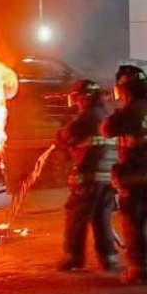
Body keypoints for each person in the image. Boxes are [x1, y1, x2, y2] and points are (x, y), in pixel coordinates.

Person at [102, 65, 147, 285]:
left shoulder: (131, 111)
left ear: (126, 89)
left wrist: (117, 109)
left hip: (139, 181)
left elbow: (107, 129)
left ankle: (140, 271)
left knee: (136, 226)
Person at [54, 80, 119, 272]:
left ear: (84, 97)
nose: (76, 103)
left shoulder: (87, 116)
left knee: (76, 216)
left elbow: (65, 136)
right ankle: (109, 258)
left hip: (90, 176)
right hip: (107, 178)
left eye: (77, 98)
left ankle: (73, 258)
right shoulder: (105, 114)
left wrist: (63, 138)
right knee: (102, 218)